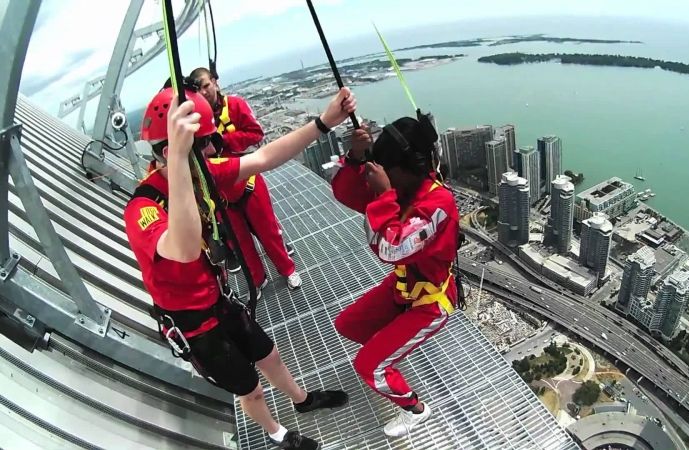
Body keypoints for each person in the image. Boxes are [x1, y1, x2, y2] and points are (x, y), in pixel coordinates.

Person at [124, 85, 356, 450]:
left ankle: (302, 400)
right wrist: (185, 164)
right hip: (194, 324)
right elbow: (183, 249)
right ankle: (278, 434)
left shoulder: (202, 174)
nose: (214, 149)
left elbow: (262, 159)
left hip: (219, 300)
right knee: (250, 388)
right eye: (205, 144)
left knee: (270, 354)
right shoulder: (143, 209)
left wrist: (323, 123)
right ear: (174, 152)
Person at [330, 117, 460, 437]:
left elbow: (390, 248)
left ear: (407, 167)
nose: (385, 175)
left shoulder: (437, 203)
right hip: (404, 287)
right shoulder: (404, 187)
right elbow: (347, 195)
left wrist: (384, 194)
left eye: (389, 169)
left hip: (430, 301)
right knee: (348, 324)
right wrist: (356, 159)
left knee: (367, 366)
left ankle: (415, 408)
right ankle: (389, 354)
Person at [190, 67, 300, 290]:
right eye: (197, 89)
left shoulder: (235, 106)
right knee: (240, 242)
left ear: (215, 82)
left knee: (269, 232)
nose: (203, 93)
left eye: (205, 86)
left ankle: (288, 269)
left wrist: (224, 141)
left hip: (247, 181)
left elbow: (256, 134)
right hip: (220, 192)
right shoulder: (194, 121)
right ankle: (258, 280)